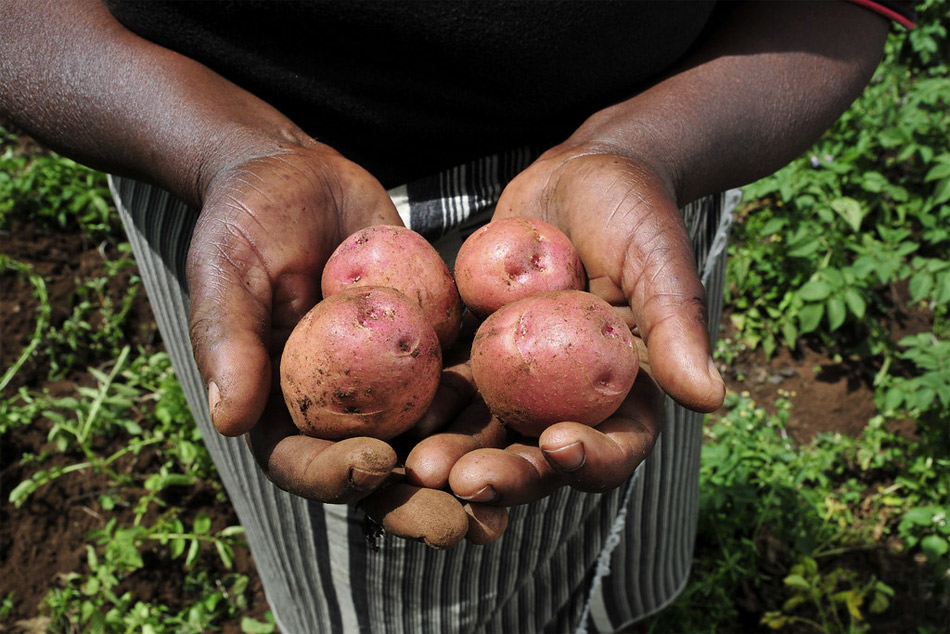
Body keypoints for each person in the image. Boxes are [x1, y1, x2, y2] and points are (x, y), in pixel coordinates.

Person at [0, 1, 913, 631]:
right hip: (238, 188)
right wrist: (225, 150)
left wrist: (642, 150)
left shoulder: (601, 277)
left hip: (651, 166)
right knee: (401, 578)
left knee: (622, 506)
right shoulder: (313, 270)